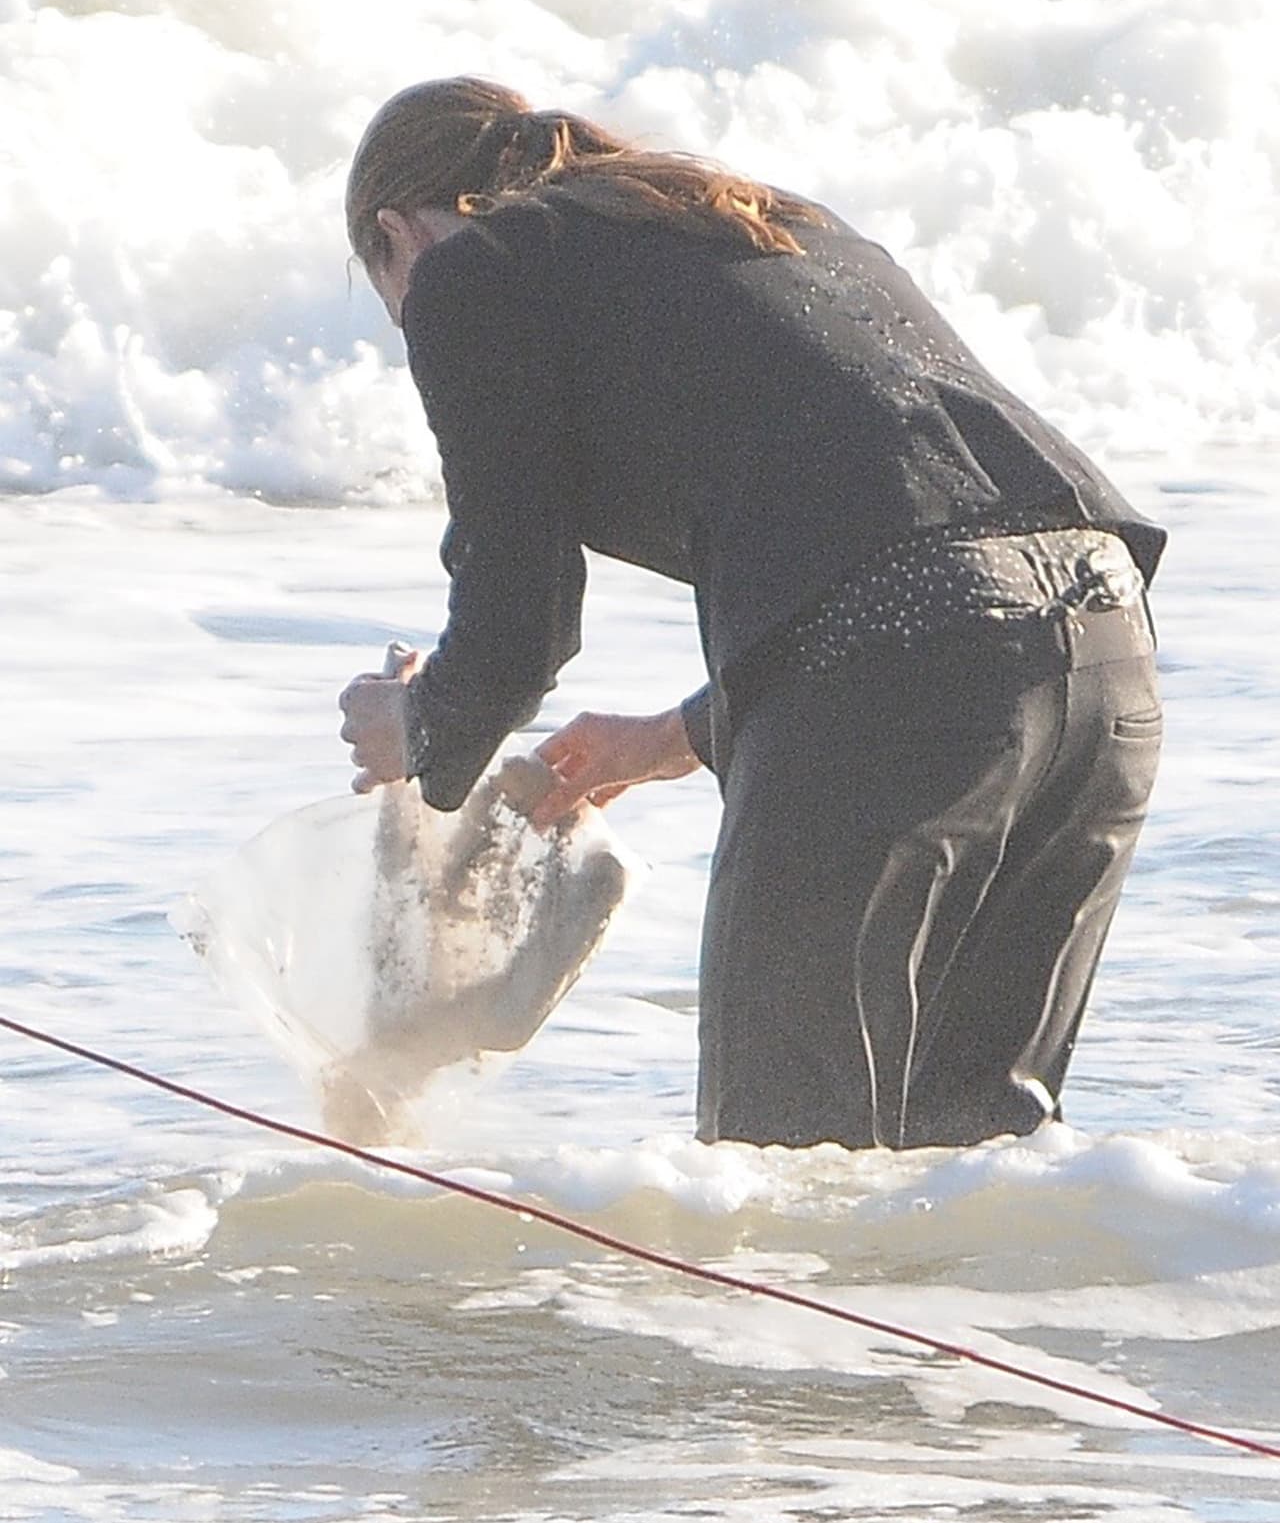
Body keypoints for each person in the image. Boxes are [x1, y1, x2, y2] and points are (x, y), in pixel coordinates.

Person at [338, 77, 1165, 1153]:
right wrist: (680, 735)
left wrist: (424, 727)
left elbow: (516, 617)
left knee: (783, 1166)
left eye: (386, 287)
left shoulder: (470, 270)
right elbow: (932, 529)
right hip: (1104, 656)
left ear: (395, 234)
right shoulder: (753, 221)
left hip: (903, 672)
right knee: (978, 1164)